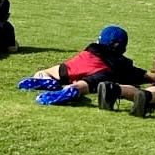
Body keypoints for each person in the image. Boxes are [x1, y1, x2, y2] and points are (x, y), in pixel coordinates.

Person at [16, 25, 146, 105]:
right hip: (104, 70)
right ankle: (71, 89)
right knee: (86, 84)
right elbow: (148, 76)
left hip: (83, 60)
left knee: (48, 71)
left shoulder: (91, 49)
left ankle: (46, 79)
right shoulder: (123, 63)